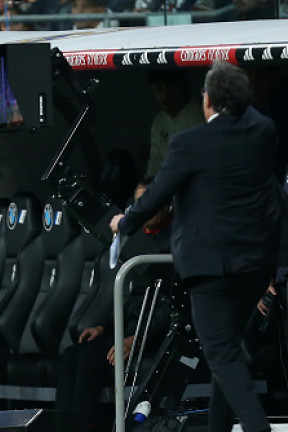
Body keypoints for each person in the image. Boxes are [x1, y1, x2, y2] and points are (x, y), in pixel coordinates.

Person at [110, 60, 280, 432]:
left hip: (210, 266)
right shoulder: (263, 131)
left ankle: (258, 427)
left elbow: (158, 192)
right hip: (253, 263)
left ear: (207, 101)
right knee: (229, 352)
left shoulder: (190, 142)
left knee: (221, 354)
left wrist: (126, 221)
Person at [57, 178, 172, 432]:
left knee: (88, 358)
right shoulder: (138, 241)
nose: (142, 209)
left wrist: (138, 338)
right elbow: (131, 301)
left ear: (166, 206)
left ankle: (81, 427)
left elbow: (170, 308)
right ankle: (61, 427)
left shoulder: (173, 243)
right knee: (71, 354)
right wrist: (103, 327)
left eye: (148, 202)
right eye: (138, 203)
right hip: (131, 331)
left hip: (155, 336)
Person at [145, 70, 204, 177]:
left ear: (184, 85)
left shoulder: (202, 115)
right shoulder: (159, 122)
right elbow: (154, 170)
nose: (166, 95)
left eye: (172, 86)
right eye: (159, 88)